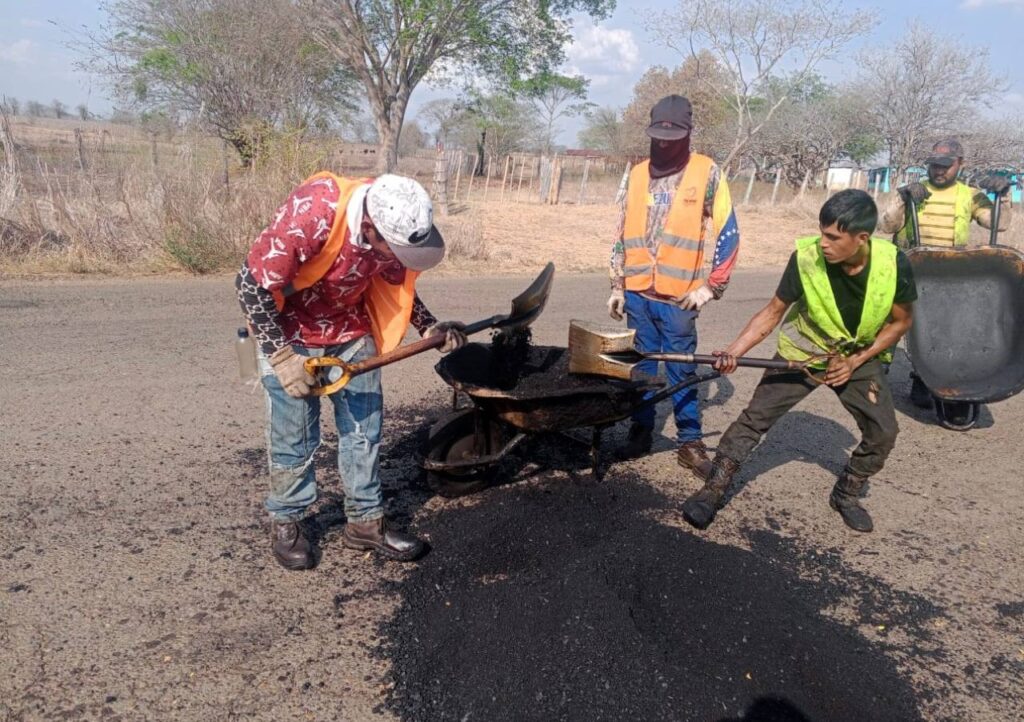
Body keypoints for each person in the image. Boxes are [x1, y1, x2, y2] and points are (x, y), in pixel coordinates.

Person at [235, 173, 467, 570]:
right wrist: (281, 358)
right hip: (289, 333)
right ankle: (287, 521)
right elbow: (249, 285)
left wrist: (429, 326)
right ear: (369, 227)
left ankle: (365, 522)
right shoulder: (314, 214)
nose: (398, 257)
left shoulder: (396, 214)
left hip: (350, 329)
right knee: (294, 436)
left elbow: (395, 281)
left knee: (364, 431)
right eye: (392, 248)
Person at [682, 189, 916, 534]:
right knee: (754, 420)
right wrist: (734, 350)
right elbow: (772, 313)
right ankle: (712, 490)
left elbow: (901, 322)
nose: (823, 243)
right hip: (805, 348)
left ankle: (846, 495)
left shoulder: (893, 264)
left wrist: (855, 361)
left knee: (883, 432)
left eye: (833, 237)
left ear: (862, 238)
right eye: (822, 233)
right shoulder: (805, 258)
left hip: (856, 354)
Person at [607, 94, 741, 478]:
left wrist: (711, 286)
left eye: (673, 137)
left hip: (679, 297)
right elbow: (620, 233)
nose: (664, 144)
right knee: (642, 366)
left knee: (681, 368)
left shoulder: (707, 172)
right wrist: (617, 284)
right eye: (658, 137)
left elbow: (729, 232)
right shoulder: (635, 174)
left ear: (688, 133)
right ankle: (641, 431)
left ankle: (690, 442)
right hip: (637, 293)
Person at [877, 138, 1013, 410]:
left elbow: (999, 224)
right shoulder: (911, 191)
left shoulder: (970, 196)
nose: (938, 171)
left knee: (937, 330)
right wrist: (902, 198)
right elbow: (886, 225)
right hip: (907, 268)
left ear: (960, 164)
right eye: (934, 165)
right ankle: (876, 375)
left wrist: (1004, 195)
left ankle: (923, 380)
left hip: (948, 276)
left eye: (945, 166)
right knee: (890, 320)